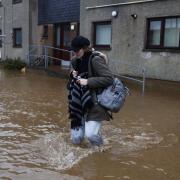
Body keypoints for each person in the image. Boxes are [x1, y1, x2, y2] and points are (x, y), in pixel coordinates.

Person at [68, 35, 113, 146]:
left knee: (91, 135)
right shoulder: (75, 60)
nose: (75, 53)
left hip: (95, 103)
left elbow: (109, 79)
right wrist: (72, 74)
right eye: (73, 51)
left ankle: (101, 150)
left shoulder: (96, 60)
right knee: (76, 139)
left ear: (84, 48)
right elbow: (73, 78)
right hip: (79, 103)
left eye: (77, 50)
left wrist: (88, 81)